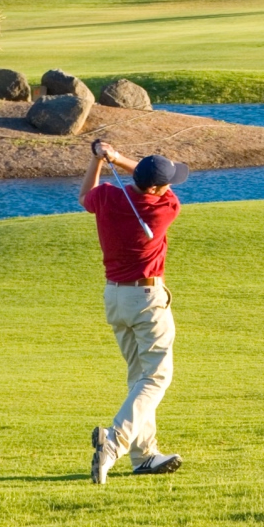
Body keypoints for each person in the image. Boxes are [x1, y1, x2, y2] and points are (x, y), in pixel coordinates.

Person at [81, 139, 190, 484]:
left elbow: (85, 196)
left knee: (138, 377)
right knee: (157, 378)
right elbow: (157, 187)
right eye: (166, 182)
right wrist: (118, 158)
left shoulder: (108, 197)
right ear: (156, 188)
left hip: (115, 297)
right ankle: (113, 443)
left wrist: (101, 160)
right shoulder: (165, 208)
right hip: (147, 299)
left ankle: (144, 456)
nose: (170, 187)